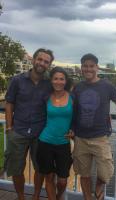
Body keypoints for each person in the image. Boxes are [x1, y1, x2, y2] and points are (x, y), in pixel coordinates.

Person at [72, 53, 116, 200]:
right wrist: (70, 128)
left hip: (100, 138)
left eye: (91, 66)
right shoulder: (77, 87)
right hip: (80, 138)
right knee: (84, 175)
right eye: (85, 66)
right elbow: (71, 110)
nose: (88, 69)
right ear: (81, 68)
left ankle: (98, 186)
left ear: (97, 67)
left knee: (105, 173)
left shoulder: (107, 85)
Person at [4, 48, 54, 200]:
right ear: (33, 60)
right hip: (18, 131)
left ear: (49, 65)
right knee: (16, 169)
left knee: (40, 168)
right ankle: (20, 197)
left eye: (46, 62)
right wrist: (8, 128)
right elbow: (9, 103)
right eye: (40, 59)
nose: (42, 63)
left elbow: (65, 98)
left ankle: (36, 196)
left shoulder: (50, 83)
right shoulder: (17, 80)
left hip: (40, 133)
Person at [36, 67, 73, 200]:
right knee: (49, 177)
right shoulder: (46, 97)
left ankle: (57, 197)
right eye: (55, 78)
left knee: (62, 181)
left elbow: (80, 116)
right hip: (45, 141)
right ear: (51, 81)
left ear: (65, 81)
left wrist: (73, 129)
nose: (58, 81)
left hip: (63, 143)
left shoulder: (72, 97)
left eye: (61, 79)